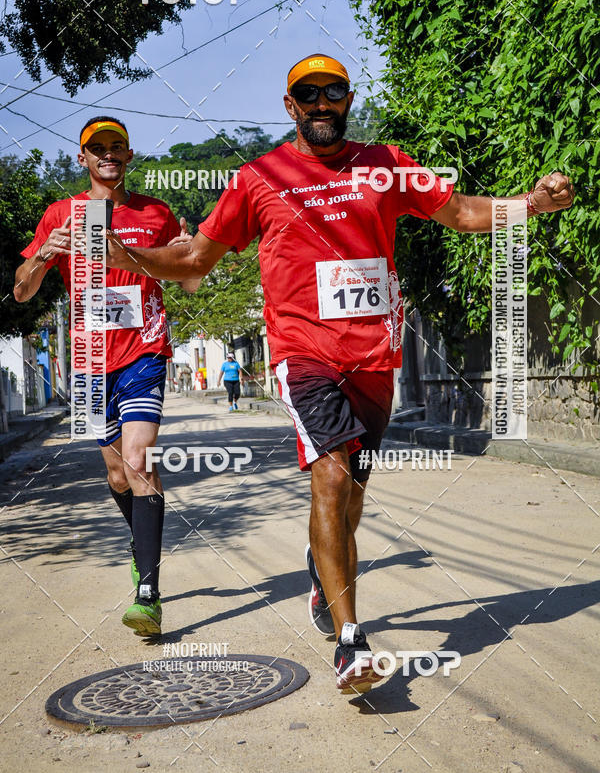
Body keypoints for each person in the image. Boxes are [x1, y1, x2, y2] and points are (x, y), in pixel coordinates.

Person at [105, 55, 574, 690]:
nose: (323, 103)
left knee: (350, 493)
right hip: (305, 354)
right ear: (290, 104)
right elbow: (194, 256)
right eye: (309, 94)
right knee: (329, 477)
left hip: (375, 358)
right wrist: (127, 252)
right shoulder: (259, 178)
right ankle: (351, 642)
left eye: (335, 92)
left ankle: (323, 574)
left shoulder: (384, 163)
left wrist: (531, 205)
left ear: (347, 100)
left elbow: (461, 211)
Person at [14, 116, 200, 638]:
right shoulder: (62, 214)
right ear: (83, 158)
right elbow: (23, 292)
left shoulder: (155, 213)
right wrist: (45, 253)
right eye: (98, 148)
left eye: (117, 146)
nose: (108, 155)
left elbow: (187, 282)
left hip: (145, 351)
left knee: (140, 462)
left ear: (129, 155)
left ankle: (148, 592)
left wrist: (186, 253)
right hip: (92, 361)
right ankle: (142, 549)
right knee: (118, 475)